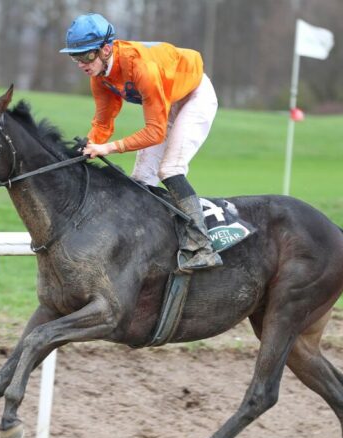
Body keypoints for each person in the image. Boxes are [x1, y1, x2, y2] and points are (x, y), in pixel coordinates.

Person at [60, 13, 222, 271]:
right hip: (168, 98)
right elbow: (103, 122)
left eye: (86, 55)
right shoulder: (99, 76)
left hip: (195, 96)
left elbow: (155, 132)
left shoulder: (141, 68)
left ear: (106, 49)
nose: (81, 63)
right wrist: (90, 145)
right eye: (75, 56)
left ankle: (202, 246)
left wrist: (108, 147)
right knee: (141, 179)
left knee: (170, 169)